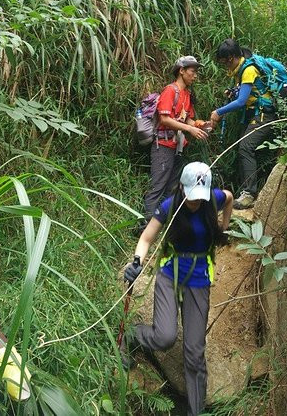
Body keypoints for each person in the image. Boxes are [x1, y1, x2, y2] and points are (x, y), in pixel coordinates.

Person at [123, 162, 233, 416]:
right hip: (169, 274)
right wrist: (137, 262)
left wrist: (224, 226)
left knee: (194, 353)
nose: (195, 202)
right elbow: (146, 238)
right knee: (165, 338)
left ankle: (196, 411)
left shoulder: (211, 199)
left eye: (199, 198)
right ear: (182, 188)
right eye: (191, 197)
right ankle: (131, 335)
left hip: (199, 279)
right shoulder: (170, 205)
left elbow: (229, 197)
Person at [210, 39, 277, 210]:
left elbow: (241, 102)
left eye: (225, 62)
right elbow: (248, 92)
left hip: (265, 115)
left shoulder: (248, 70)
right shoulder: (243, 68)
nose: (225, 66)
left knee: (246, 147)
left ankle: (249, 195)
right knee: (244, 147)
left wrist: (219, 112)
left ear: (231, 58)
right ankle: (247, 190)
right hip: (258, 113)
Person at [142, 56, 208, 222]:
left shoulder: (186, 94)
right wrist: (189, 128)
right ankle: (145, 225)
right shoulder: (171, 91)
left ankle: (163, 222)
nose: (195, 76)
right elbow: (164, 119)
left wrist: (200, 125)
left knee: (172, 187)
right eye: (193, 72)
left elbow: (187, 120)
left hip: (176, 146)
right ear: (182, 71)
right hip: (163, 146)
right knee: (158, 186)